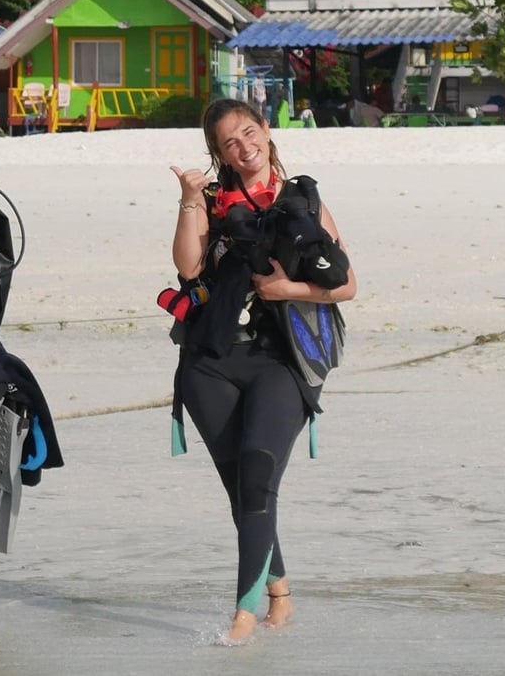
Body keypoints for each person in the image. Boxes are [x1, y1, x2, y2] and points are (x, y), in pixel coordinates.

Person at [169, 98, 357, 643]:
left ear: (266, 131)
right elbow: (187, 268)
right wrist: (187, 200)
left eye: (249, 133)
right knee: (242, 489)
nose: (243, 147)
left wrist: (287, 289)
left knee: (257, 477)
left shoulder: (303, 198)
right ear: (219, 153)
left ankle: (243, 616)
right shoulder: (207, 199)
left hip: (281, 362)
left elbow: (346, 284)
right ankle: (279, 594)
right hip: (211, 362)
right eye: (229, 142)